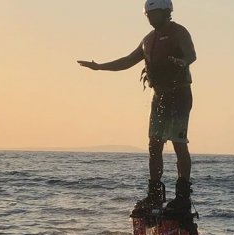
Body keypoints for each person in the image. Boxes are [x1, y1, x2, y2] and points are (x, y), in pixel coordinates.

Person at [78, 0, 196, 215]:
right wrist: (99, 67)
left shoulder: (179, 32)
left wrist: (182, 62)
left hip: (179, 94)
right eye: (147, 15)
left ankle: (182, 197)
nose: (149, 18)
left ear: (165, 12)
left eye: (152, 14)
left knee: (179, 143)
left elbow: (191, 55)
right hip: (159, 96)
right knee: (154, 145)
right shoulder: (148, 40)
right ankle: (154, 195)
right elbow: (126, 61)